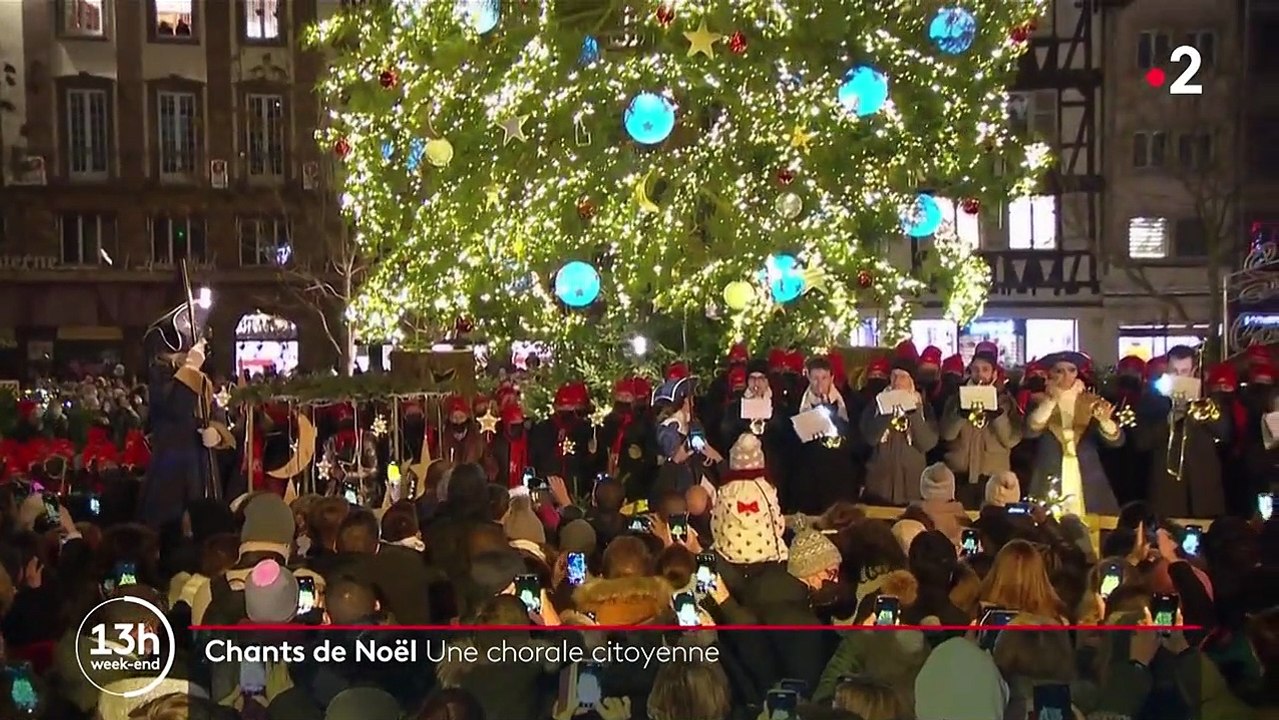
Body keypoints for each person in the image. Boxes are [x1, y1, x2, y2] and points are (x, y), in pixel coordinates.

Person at [1135, 344, 1230, 518]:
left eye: (1184, 371)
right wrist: (1170, 419)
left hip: (1204, 493)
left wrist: (1200, 408)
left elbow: (1225, 433)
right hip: (1168, 495)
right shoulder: (1152, 401)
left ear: (1193, 371)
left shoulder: (1209, 398)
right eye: (1174, 371)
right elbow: (1141, 442)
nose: (1179, 376)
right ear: (1166, 371)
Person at [1023, 351, 1120, 517]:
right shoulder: (1039, 401)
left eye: (1071, 370)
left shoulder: (1090, 401)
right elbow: (1031, 430)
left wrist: (1105, 422)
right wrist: (1051, 400)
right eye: (1059, 371)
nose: (1066, 376)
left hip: (1086, 471)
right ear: (1050, 374)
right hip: (1050, 468)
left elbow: (1116, 440)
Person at [939, 346, 1023, 509]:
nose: (980, 374)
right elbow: (947, 434)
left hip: (992, 478)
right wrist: (961, 413)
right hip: (960, 476)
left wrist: (996, 414)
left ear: (994, 373)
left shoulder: (1006, 401)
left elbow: (1011, 440)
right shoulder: (955, 399)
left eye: (985, 370)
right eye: (975, 369)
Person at [861, 359, 939, 506]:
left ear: (911, 380)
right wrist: (887, 410)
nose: (897, 381)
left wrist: (913, 412)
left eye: (902, 377)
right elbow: (870, 438)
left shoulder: (924, 407)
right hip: (880, 484)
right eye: (894, 376)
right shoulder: (876, 404)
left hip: (910, 484)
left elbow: (927, 443)